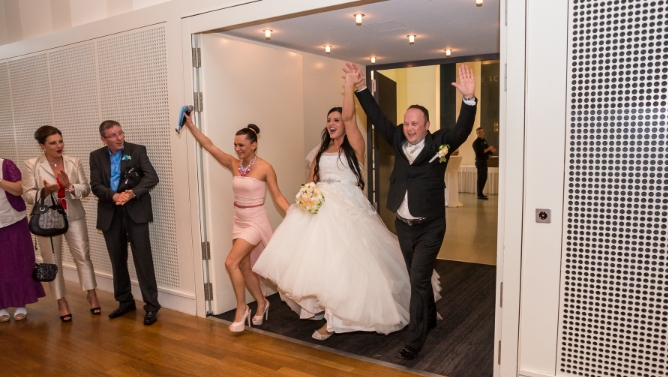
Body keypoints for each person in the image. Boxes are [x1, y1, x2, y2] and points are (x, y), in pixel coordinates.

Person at [253, 70, 440, 340]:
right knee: (318, 263)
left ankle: (335, 320)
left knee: (344, 264)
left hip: (347, 211)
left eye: (337, 119)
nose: (332, 123)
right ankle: (323, 307)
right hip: (318, 212)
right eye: (329, 119)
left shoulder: (355, 146)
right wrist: (305, 199)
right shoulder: (320, 151)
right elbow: (310, 181)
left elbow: (351, 117)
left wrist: (350, 87)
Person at [351, 63, 477, 360]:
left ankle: (415, 340)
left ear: (426, 125)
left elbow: (462, 130)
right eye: (407, 123)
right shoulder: (397, 138)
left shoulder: (440, 144)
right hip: (403, 225)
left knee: (418, 280)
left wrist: (469, 100)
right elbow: (377, 118)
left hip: (430, 226)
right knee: (416, 277)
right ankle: (429, 317)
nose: (409, 128)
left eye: (415, 123)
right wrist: (361, 89)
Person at [183, 116, 289, 332]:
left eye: (241, 145)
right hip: (239, 219)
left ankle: (242, 308)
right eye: (235, 145)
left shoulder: (265, 167)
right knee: (243, 266)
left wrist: (294, 214)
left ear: (253, 145)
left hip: (255, 220)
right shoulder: (234, 164)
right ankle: (262, 302)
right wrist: (191, 125)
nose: (237, 149)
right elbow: (209, 145)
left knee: (230, 262)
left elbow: (277, 196)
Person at [23, 126, 101, 322]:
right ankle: (61, 301)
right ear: (42, 146)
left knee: (83, 256)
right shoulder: (31, 165)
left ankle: (92, 295)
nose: (59, 146)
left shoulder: (74, 162)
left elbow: (86, 189)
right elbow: (28, 195)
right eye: (53, 143)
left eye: (60, 141)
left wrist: (69, 186)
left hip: (74, 215)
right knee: (52, 260)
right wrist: (45, 191)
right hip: (47, 219)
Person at [89, 121, 161, 325]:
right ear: (103, 139)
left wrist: (132, 193)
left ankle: (151, 306)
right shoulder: (96, 156)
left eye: (120, 133)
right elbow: (96, 185)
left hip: (135, 211)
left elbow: (151, 177)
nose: (119, 138)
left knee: (143, 260)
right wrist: (114, 196)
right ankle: (125, 301)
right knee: (117, 260)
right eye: (113, 135)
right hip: (110, 212)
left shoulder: (136, 151)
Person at [0, 157, 46, 322]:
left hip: (13, 221)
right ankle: (1, 305)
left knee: (19, 262)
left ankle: (21, 303)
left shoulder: (6, 164)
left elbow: (19, 190)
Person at [472, 127, 496, 200]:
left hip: (484, 161)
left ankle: (481, 193)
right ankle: (479, 194)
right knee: (481, 178)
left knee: (484, 177)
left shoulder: (484, 141)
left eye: (482, 132)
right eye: (479, 132)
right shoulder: (476, 143)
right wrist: (488, 149)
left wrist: (491, 151)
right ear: (477, 133)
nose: (481, 133)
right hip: (480, 162)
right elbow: (479, 153)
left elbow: (487, 150)